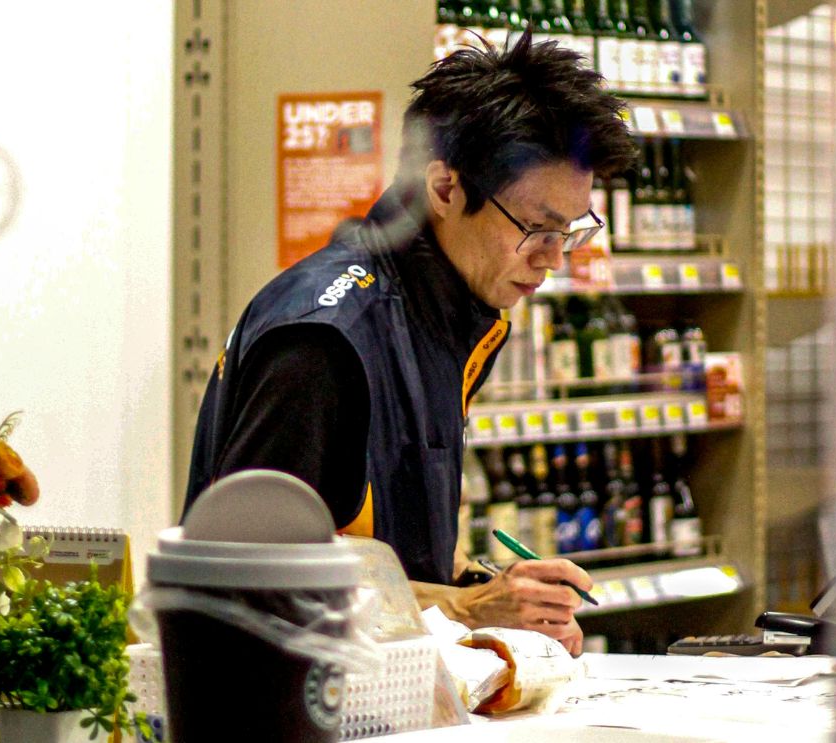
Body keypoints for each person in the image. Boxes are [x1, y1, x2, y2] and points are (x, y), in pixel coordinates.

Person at [182, 31, 636, 656]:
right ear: (446, 189)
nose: (554, 259)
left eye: (573, 230)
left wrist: (494, 591)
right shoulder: (326, 340)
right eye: (537, 228)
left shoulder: (457, 315)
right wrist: (465, 607)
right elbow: (244, 585)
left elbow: (393, 537)